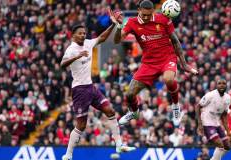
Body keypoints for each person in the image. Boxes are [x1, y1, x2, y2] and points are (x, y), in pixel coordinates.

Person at [60, 8, 135, 160]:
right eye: (80, 33)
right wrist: (76, 57)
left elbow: (101, 38)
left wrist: (113, 24)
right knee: (81, 125)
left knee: (110, 111)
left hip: (90, 87)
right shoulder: (71, 50)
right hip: (79, 90)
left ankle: (119, 145)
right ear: (73, 35)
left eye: (84, 33)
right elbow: (62, 64)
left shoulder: (87, 43)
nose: (83, 35)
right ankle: (68, 155)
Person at [113, 0, 198, 126]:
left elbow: (175, 41)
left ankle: (175, 106)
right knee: (129, 94)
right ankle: (134, 112)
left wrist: (184, 64)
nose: (146, 17)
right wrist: (119, 26)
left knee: (168, 79)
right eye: (144, 15)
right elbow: (117, 41)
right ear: (138, 11)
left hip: (167, 58)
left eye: (149, 14)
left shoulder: (163, 19)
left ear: (153, 11)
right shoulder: (131, 22)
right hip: (148, 63)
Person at [196, 79, 231, 160]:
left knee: (227, 146)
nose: (222, 85)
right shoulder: (210, 95)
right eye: (219, 83)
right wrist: (199, 124)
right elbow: (198, 106)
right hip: (206, 123)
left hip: (216, 124)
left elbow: (224, 115)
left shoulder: (228, 98)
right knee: (220, 144)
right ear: (216, 85)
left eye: (224, 83)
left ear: (227, 85)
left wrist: (228, 130)